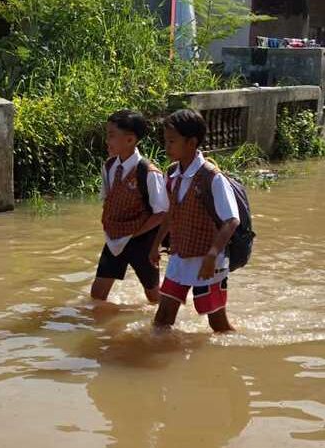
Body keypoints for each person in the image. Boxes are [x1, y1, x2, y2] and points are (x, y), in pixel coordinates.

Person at [149, 109, 240, 333]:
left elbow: (231, 221)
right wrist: (155, 245)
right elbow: (171, 214)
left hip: (208, 262)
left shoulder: (212, 178)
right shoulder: (172, 174)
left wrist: (211, 255)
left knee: (218, 324)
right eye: (166, 141)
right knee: (162, 318)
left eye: (172, 141)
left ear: (191, 143)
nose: (167, 147)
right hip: (180, 257)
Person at [91, 110, 169, 304]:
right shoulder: (109, 167)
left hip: (142, 241)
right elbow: (108, 200)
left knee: (153, 296)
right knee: (97, 295)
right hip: (115, 238)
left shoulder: (148, 172)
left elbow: (161, 213)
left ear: (130, 140)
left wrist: (135, 234)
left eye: (111, 135)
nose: (107, 140)